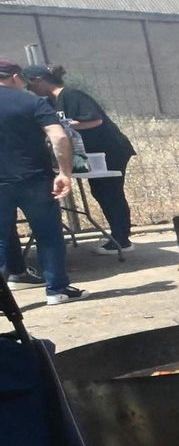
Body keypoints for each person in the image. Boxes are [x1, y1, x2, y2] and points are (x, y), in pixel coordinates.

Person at [25, 64, 134, 254]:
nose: (29, 89)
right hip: (91, 153)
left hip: (110, 150)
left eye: (30, 84)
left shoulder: (71, 95)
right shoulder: (52, 101)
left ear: (39, 80)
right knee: (100, 191)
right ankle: (118, 232)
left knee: (110, 192)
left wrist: (63, 127)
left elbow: (94, 120)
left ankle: (122, 239)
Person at [0, 61, 79, 305]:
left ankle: (2, 301)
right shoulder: (33, 102)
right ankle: (57, 290)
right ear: (14, 77)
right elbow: (59, 136)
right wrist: (65, 172)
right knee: (48, 235)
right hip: (34, 179)